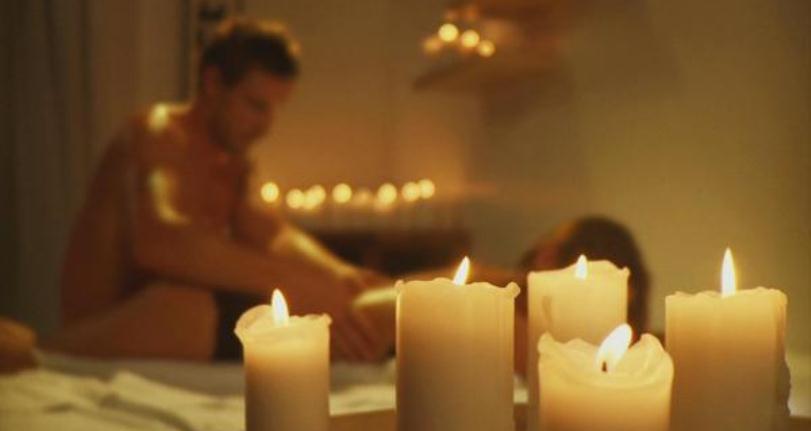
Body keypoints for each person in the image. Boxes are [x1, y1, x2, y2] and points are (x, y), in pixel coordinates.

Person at [45, 17, 389, 362]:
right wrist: (297, 284)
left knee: (361, 305)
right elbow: (161, 241)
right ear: (212, 83)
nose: (266, 125)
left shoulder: (231, 163)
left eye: (275, 109)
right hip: (111, 327)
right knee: (189, 309)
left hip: (178, 327)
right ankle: (45, 353)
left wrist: (340, 275)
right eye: (256, 105)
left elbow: (273, 235)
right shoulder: (160, 134)